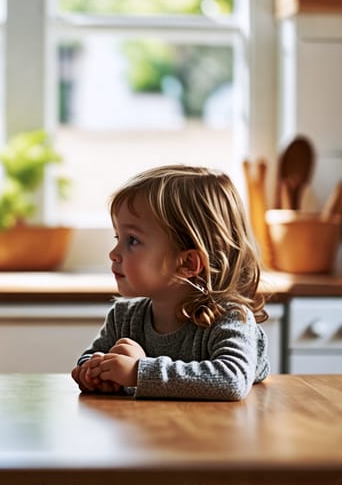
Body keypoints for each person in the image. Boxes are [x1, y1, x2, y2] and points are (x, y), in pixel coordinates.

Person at [71, 165, 269, 400]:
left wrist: (138, 371)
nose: (113, 253)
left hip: (214, 432)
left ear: (187, 263)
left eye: (132, 240)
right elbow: (92, 355)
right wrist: (93, 371)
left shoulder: (230, 318)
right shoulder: (124, 317)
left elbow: (231, 380)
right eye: (118, 237)